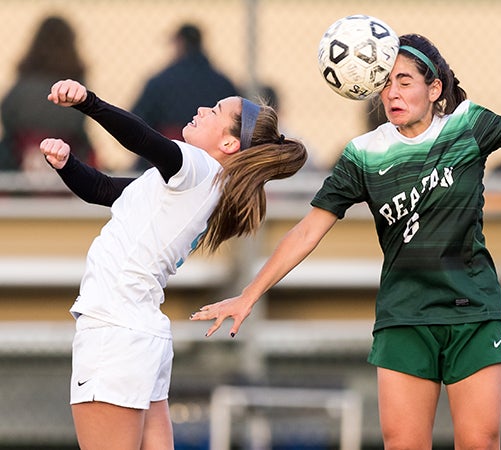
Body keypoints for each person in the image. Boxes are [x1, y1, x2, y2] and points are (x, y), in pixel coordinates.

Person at [190, 33, 501, 449]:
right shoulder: (363, 154)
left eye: (405, 81)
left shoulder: (469, 126)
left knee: (480, 441)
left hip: (473, 313)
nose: (392, 93)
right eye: (385, 82)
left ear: (435, 90)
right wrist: (249, 294)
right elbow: (306, 231)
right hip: (404, 316)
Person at [39, 79, 307, 450]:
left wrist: (90, 103)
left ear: (229, 144)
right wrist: (67, 165)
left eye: (214, 111)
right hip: (140, 331)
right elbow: (102, 190)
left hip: (114, 329)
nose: (201, 110)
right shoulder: (198, 183)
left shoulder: (197, 165)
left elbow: (144, 140)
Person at [131, 23, 240, 170]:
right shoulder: (222, 82)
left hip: (164, 155)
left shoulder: (161, 80)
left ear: (180, 43)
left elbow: (138, 117)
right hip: (214, 161)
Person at [0, 16, 96, 173]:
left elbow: (7, 114)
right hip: (69, 153)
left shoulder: (25, 79)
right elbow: (79, 122)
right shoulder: (75, 82)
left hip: (19, 156)